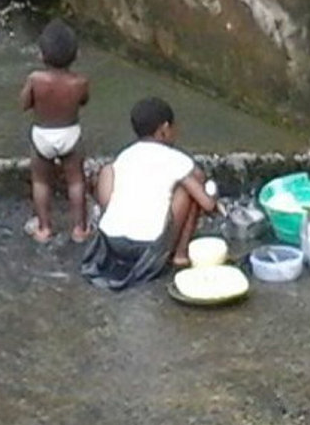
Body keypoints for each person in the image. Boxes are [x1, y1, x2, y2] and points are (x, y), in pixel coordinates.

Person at [80, 96, 217, 291]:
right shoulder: (176, 159)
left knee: (108, 171)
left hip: (110, 243)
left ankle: (115, 219)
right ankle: (180, 255)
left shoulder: (125, 155)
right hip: (147, 248)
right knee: (189, 189)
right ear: (165, 129)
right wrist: (212, 196)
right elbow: (207, 205)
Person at [21, 18, 92, 244]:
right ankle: (80, 228)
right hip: (69, 133)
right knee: (76, 181)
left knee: (41, 182)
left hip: (42, 134)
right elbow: (84, 101)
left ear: (41, 55)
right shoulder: (80, 81)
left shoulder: (35, 79)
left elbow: (23, 104)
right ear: (76, 55)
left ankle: (44, 228)